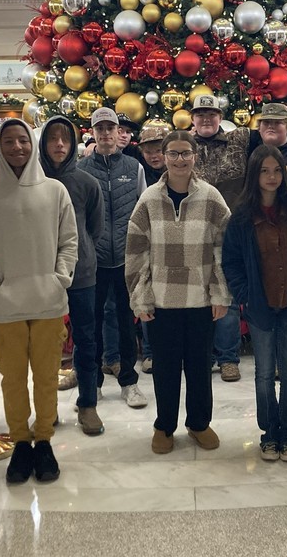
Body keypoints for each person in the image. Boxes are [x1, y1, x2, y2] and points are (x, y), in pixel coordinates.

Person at [0, 118, 78, 484]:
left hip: (47, 301)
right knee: (12, 379)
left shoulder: (55, 191)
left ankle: (43, 439)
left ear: (32, 145)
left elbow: (69, 242)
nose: (17, 148)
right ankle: (20, 443)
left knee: (46, 377)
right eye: (9, 141)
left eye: (23, 141)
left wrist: (59, 279)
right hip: (5, 306)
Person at [125, 130, 231, 454]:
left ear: (195, 156)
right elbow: (135, 251)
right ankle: (164, 426)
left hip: (200, 299)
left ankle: (199, 423)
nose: (180, 159)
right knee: (166, 367)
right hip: (161, 300)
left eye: (186, 153)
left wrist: (220, 293)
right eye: (174, 153)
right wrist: (139, 296)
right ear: (164, 157)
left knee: (200, 366)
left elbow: (223, 249)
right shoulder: (149, 200)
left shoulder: (211, 198)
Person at [222, 146, 287, 462]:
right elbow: (232, 261)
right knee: (264, 373)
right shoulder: (241, 216)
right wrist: (244, 294)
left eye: (277, 170)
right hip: (259, 307)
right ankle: (269, 434)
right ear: (255, 175)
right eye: (265, 171)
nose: (271, 177)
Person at [38, 115, 105, 436]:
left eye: (65, 138)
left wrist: (80, 253)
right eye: (53, 138)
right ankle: (46, 406)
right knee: (45, 343)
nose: (60, 145)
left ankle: (88, 404)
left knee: (87, 339)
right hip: (40, 276)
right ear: (44, 142)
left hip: (82, 274)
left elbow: (94, 228)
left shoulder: (86, 183)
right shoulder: (30, 180)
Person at [78, 107, 148, 409]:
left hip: (125, 259)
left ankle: (129, 381)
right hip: (92, 262)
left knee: (124, 321)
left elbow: (144, 210)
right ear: (93, 133)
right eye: (100, 129)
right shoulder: (80, 169)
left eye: (111, 128)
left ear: (119, 131)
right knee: (89, 323)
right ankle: (91, 382)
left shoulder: (134, 167)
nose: (106, 134)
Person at [191, 93, 250, 383]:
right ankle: (204, 355)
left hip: (231, 233)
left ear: (219, 117)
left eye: (211, 114)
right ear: (192, 119)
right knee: (199, 298)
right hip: (194, 233)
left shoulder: (240, 140)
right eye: (200, 114)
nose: (206, 119)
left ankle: (228, 358)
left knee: (226, 295)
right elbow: (149, 154)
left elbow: (279, 134)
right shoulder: (183, 145)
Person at [135, 123, 170, 374]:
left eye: (159, 149)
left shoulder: (181, 171)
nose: (154, 155)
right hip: (149, 247)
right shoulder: (138, 173)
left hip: (178, 246)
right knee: (149, 299)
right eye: (149, 151)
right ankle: (150, 353)